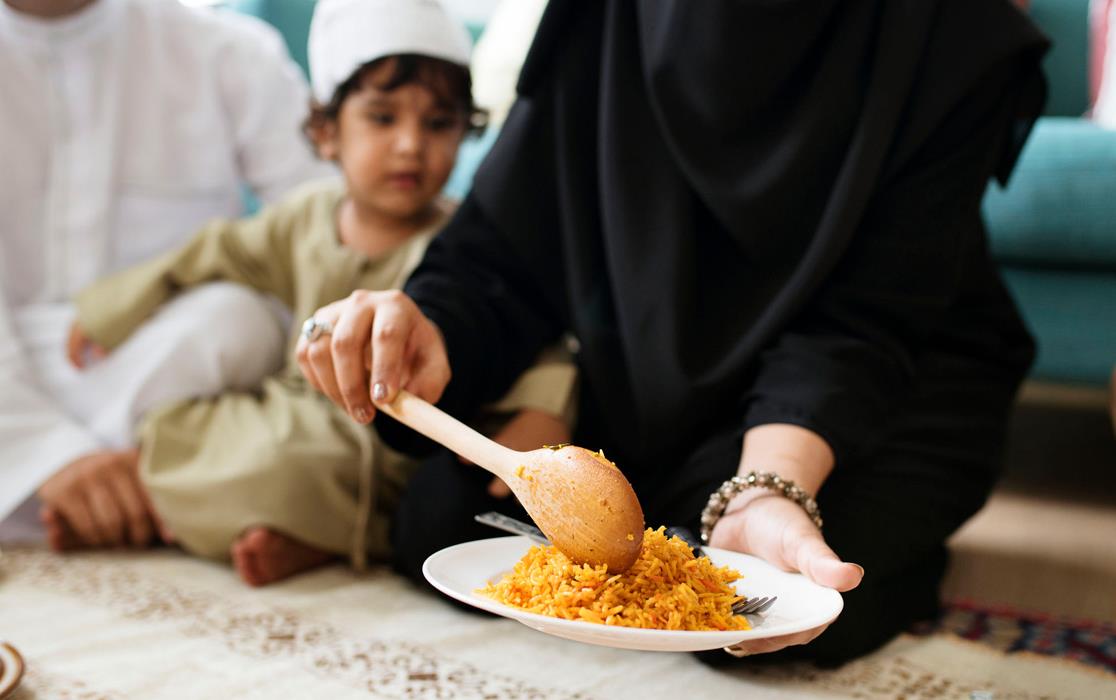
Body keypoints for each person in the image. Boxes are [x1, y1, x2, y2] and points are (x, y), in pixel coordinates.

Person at [299, 0, 1050, 664]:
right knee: (439, 527)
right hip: (652, 365)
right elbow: (505, 249)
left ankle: (887, 552)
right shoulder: (605, 17)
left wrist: (766, 489)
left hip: (880, 380)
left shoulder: (947, 30)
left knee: (763, 608)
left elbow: (867, 318)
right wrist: (424, 323)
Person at [64, 0, 576, 587]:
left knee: (298, 471)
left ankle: (285, 531)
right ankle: (231, 518)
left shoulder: (462, 245)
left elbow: (535, 333)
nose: (411, 145)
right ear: (328, 133)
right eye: (383, 119)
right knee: (174, 427)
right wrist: (112, 307)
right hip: (288, 408)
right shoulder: (305, 218)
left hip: (374, 444)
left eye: (438, 125)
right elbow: (215, 249)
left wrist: (541, 412)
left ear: (467, 131)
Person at [0, 0, 332, 545]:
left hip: (170, 392)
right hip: (16, 393)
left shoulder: (229, 54)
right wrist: (46, 452)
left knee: (236, 322)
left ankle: (151, 484)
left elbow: (340, 241)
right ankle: (178, 488)